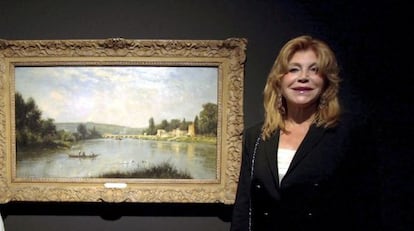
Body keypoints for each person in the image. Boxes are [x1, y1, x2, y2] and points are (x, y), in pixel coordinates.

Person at [230, 35, 380, 231]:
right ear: (279, 81)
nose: (303, 77)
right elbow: (244, 206)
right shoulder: (256, 136)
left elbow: (365, 207)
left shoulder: (347, 133)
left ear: (326, 81)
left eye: (314, 70)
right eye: (293, 69)